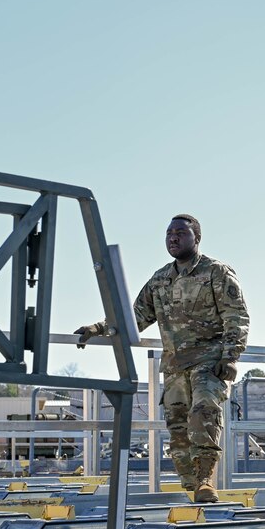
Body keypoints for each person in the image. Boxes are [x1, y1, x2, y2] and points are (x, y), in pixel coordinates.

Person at [75, 214, 248, 503]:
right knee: (178, 429)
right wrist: (98, 328)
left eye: (181, 232)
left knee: (203, 418)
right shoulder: (160, 279)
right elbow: (136, 317)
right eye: (169, 233)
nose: (173, 237)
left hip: (208, 363)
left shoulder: (216, 272)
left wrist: (230, 356)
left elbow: (237, 316)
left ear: (197, 238)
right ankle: (192, 486)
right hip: (174, 367)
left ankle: (206, 481)